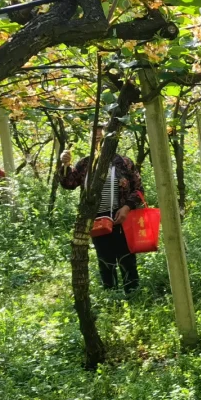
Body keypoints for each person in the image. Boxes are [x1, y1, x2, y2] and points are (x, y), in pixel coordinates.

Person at [59, 126, 145, 294]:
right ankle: (111, 296)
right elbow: (69, 183)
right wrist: (65, 165)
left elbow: (138, 189)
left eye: (102, 138)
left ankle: (132, 294)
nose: (98, 142)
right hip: (97, 219)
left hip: (121, 217)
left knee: (126, 258)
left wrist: (126, 207)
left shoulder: (124, 162)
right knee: (105, 260)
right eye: (95, 139)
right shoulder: (85, 164)